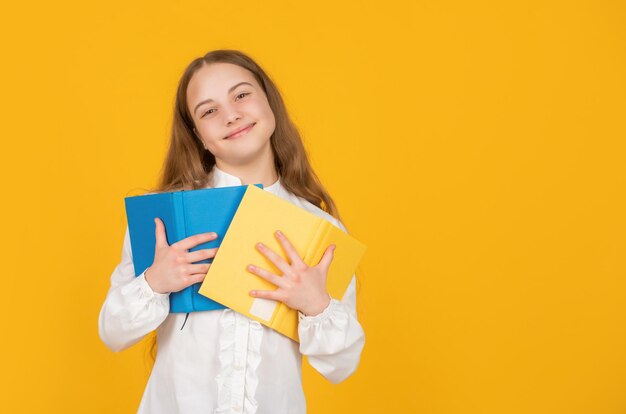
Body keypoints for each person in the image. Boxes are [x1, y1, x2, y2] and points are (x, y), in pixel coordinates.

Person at [98, 49, 365, 414]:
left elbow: (342, 365)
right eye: (209, 111)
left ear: (269, 101)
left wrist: (315, 305)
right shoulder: (165, 218)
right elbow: (112, 333)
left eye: (241, 94)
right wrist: (154, 282)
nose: (231, 115)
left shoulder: (320, 231)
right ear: (199, 135)